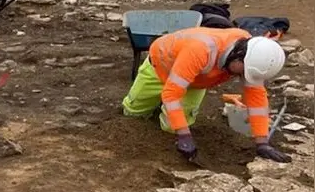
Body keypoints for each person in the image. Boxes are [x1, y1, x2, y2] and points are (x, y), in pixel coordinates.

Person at [121, 27, 290, 163]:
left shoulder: (252, 56)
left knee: (171, 128)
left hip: (195, 82)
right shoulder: (200, 50)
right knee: (133, 113)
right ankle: (151, 107)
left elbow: (257, 100)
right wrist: (185, 135)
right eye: (244, 72)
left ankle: (164, 114)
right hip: (160, 66)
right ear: (238, 56)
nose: (245, 78)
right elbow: (171, 94)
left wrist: (262, 142)